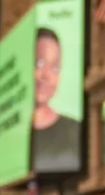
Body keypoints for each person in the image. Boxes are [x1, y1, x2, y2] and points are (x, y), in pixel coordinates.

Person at [32, 27, 80, 173]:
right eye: (39, 63)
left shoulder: (74, 130)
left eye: (54, 67)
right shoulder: (9, 132)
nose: (46, 75)